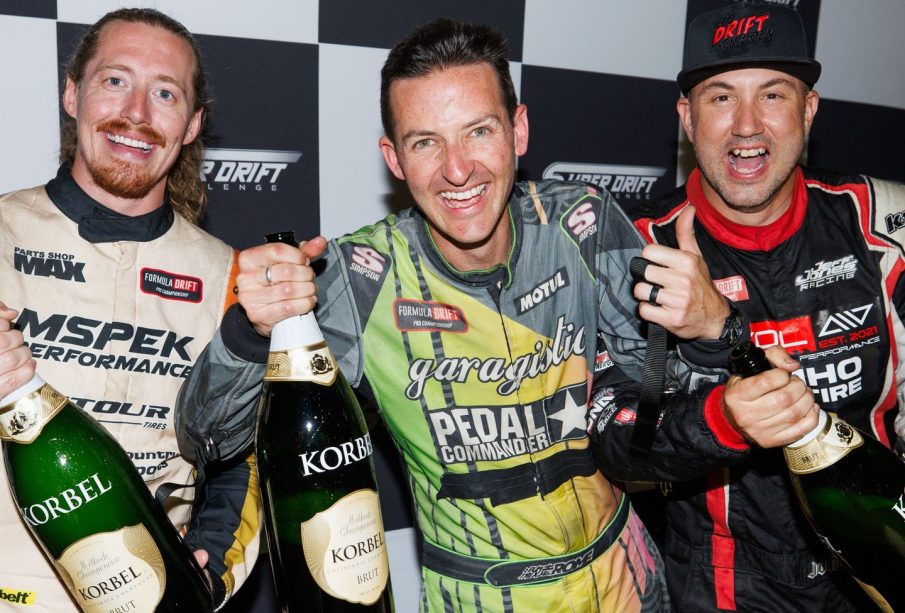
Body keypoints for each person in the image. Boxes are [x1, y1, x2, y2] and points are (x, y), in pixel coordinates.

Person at [175, 18, 818, 612]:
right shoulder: (358, 276)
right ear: (394, 159)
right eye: (426, 142)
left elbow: (665, 411)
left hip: (628, 583)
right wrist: (250, 333)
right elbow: (209, 440)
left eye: (479, 131)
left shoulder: (582, 223)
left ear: (519, 131)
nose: (457, 170)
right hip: (482, 596)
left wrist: (710, 331)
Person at [603, 3, 905, 611]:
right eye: (721, 97)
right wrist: (721, 417)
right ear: (687, 117)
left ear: (808, 110)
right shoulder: (634, 248)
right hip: (722, 588)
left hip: (875, 570)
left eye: (772, 95)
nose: (747, 125)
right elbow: (617, 449)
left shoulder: (883, 222)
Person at [0, 8, 261, 610]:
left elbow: (240, 457)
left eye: (165, 93)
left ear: (192, 125)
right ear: (73, 94)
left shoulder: (235, 278)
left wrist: (210, 565)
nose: (137, 113)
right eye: (115, 80)